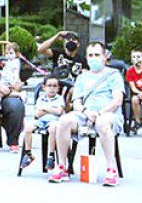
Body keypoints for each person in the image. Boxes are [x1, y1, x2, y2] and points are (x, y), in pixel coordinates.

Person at [49, 42, 125, 186]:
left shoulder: (114, 75)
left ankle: (111, 169)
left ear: (104, 56)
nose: (93, 58)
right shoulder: (82, 78)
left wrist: (98, 113)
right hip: (85, 113)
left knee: (102, 123)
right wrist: (86, 111)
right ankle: (62, 167)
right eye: (90, 55)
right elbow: (76, 102)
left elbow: (117, 101)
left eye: (97, 55)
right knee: (64, 121)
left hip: (107, 113)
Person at [0, 43, 24, 114]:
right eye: (6, 53)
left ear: (17, 54)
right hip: (5, 80)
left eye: (11, 53)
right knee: (3, 93)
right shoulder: (10, 61)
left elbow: (16, 73)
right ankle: (19, 94)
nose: (8, 55)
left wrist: (14, 82)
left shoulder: (15, 62)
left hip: (8, 81)